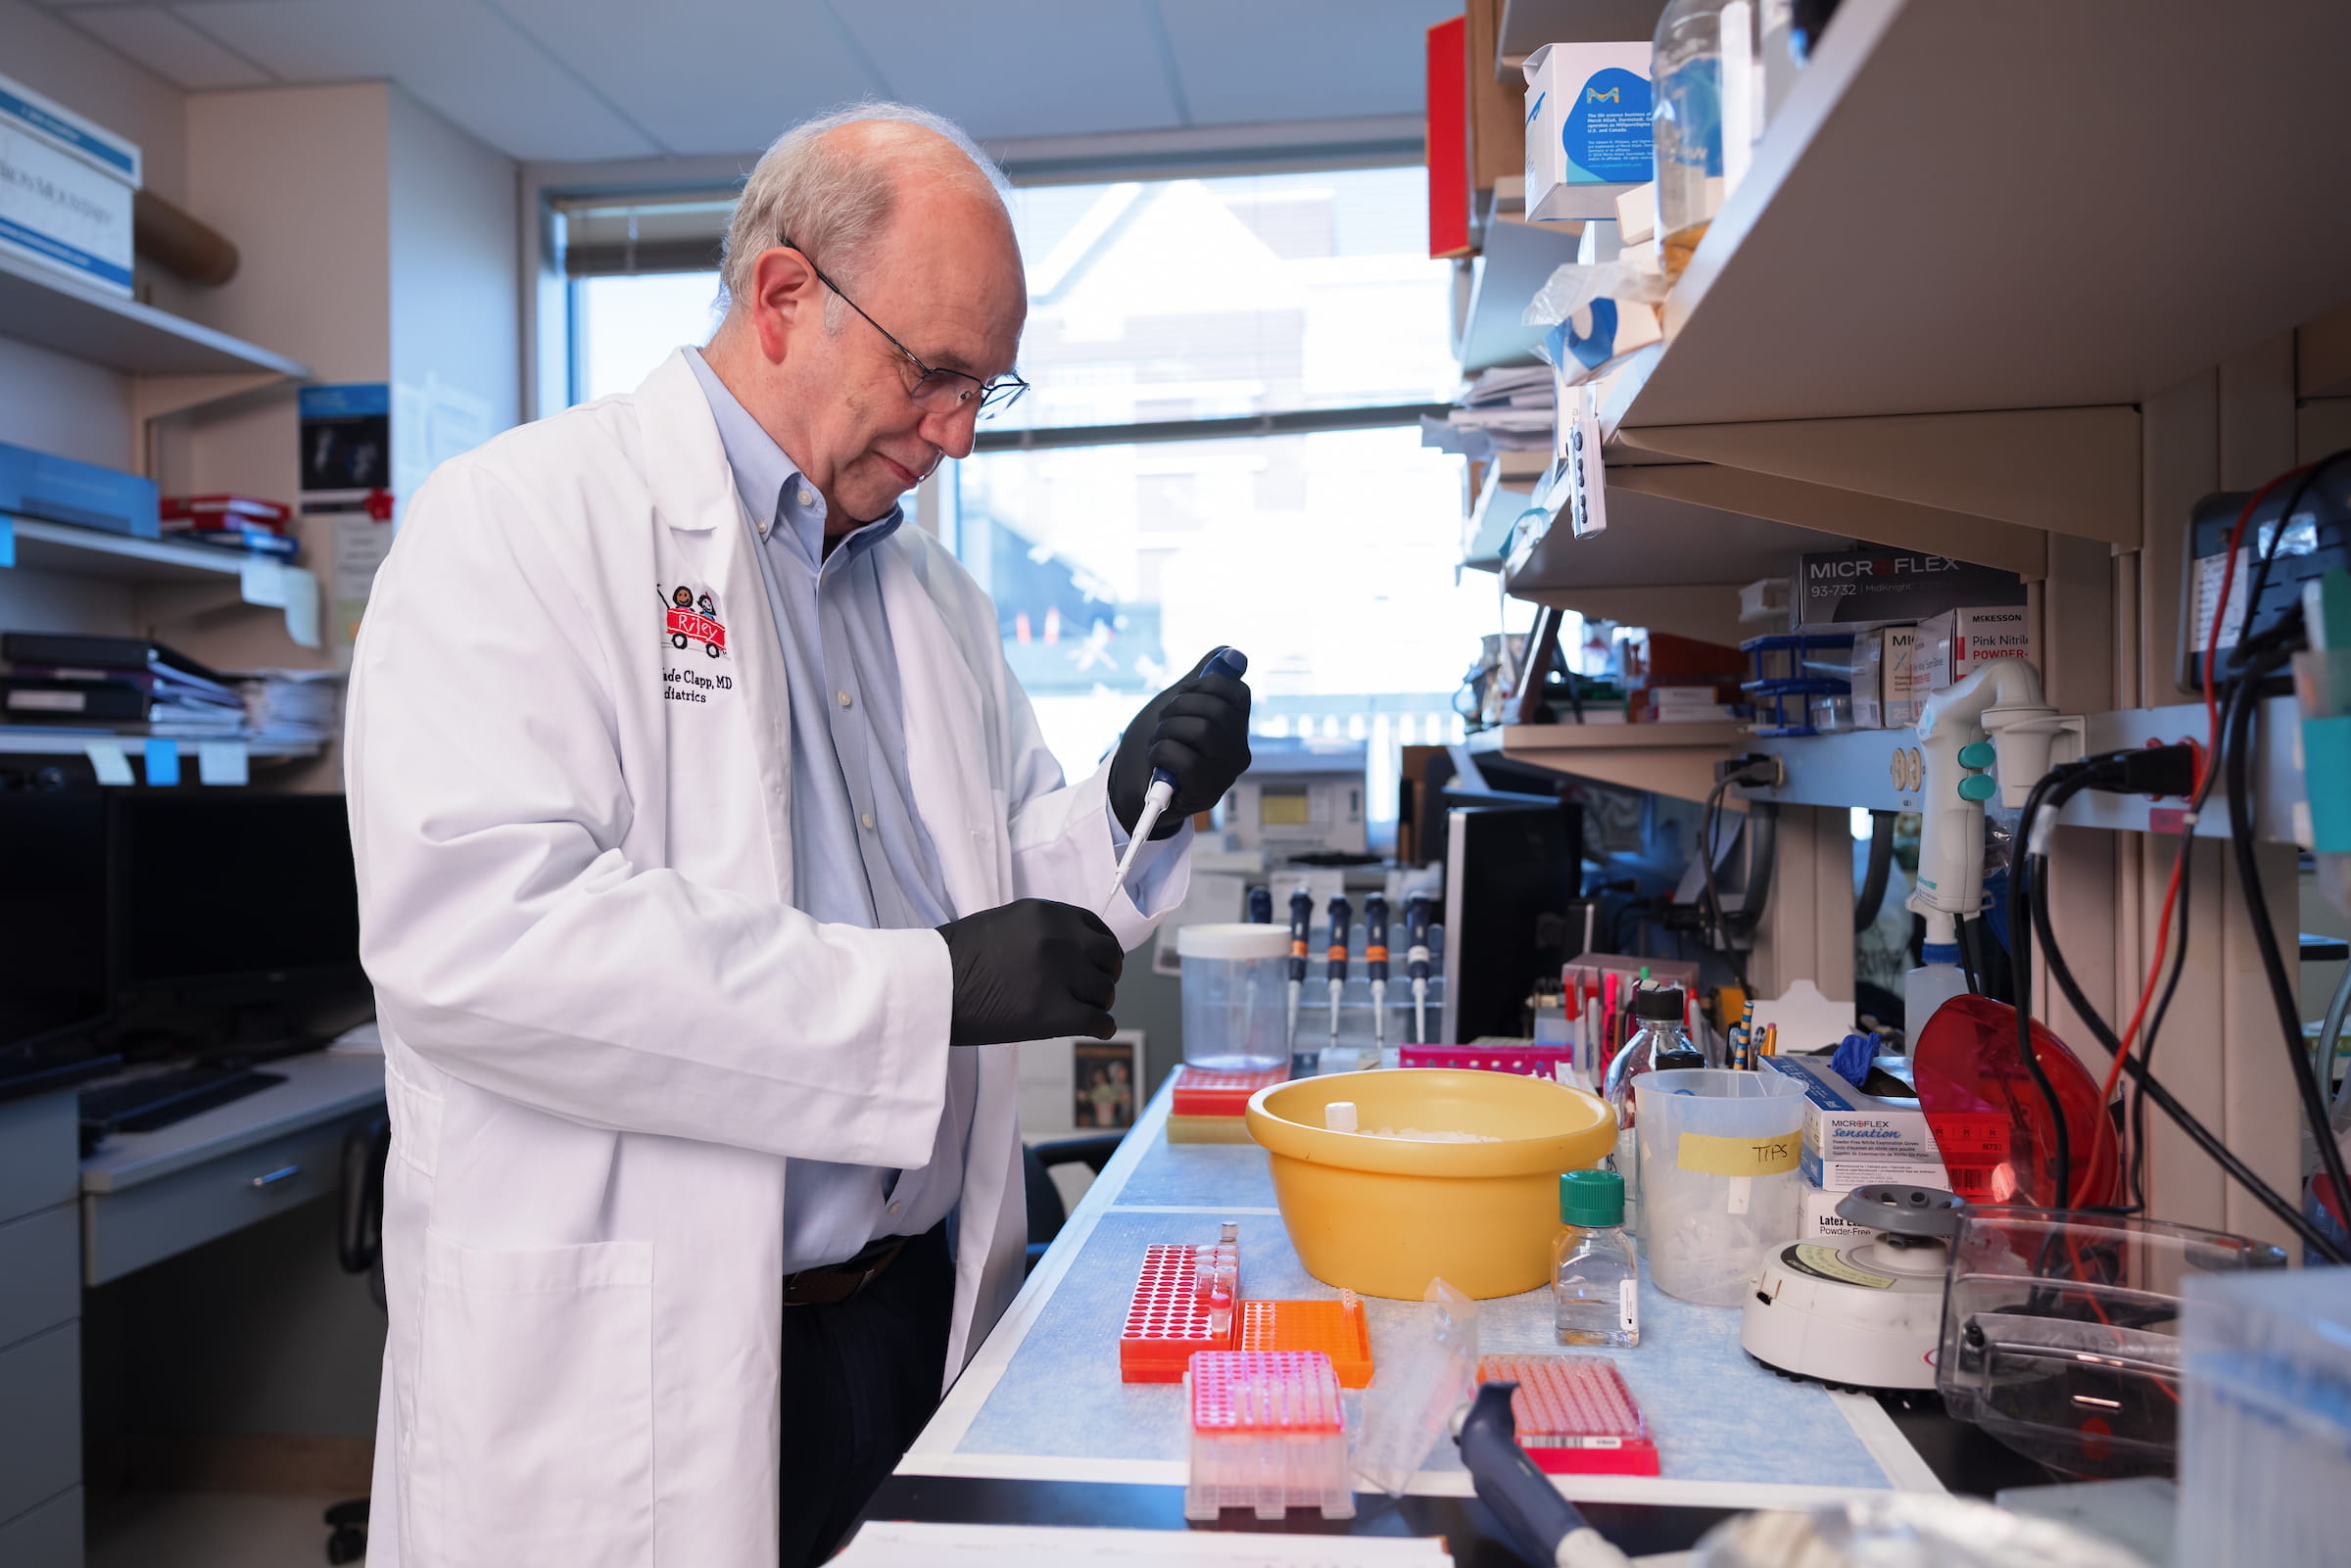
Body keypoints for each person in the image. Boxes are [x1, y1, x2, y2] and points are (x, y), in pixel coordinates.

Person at [346, 103, 1252, 1568]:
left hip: (908, 1324)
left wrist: (1134, 801)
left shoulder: (933, 600)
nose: (957, 432)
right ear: (784, 297)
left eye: (986, 392)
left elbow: (998, 889)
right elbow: (484, 943)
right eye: (937, 372)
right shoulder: (518, 523)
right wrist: (925, 994)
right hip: (647, 1371)